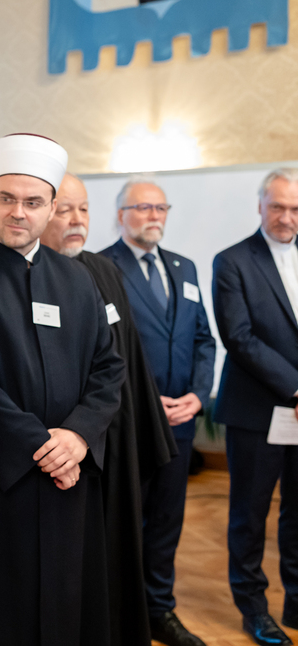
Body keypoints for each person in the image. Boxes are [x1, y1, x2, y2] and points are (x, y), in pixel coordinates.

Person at [0, 133, 124, 646]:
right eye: (7, 198)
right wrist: (41, 447)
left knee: (69, 600)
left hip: (70, 476)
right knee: (3, 608)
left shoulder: (78, 279)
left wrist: (78, 436)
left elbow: (109, 367)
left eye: (33, 202)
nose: (18, 212)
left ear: (51, 208)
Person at [41, 172, 177, 646]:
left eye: (83, 209)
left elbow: (128, 360)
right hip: (63, 449)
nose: (76, 220)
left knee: (118, 554)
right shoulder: (30, 275)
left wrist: (144, 435)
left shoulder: (101, 269)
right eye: (64, 210)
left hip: (116, 441)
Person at [100, 176, 215, 646]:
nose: (154, 216)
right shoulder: (100, 267)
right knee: (125, 521)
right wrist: (146, 400)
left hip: (181, 419)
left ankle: (160, 609)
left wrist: (199, 395)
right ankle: (120, 613)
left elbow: (203, 339)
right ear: (120, 215)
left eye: (160, 208)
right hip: (129, 422)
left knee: (168, 520)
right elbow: (103, 351)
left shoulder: (184, 268)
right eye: (143, 208)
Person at [212, 168, 298, 646]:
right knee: (250, 516)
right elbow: (239, 337)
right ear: (260, 206)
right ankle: (254, 610)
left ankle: (297, 600)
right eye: (277, 206)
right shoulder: (232, 261)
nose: (286, 217)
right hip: (257, 413)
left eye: (295, 208)